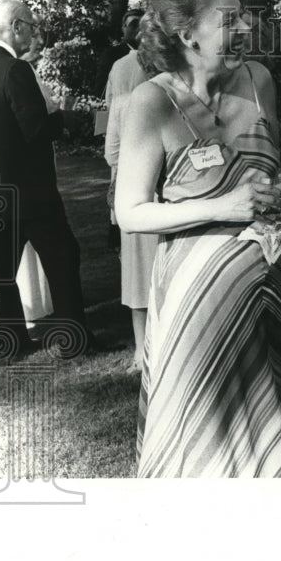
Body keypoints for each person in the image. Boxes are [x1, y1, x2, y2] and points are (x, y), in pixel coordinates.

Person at [115, 0, 281, 478]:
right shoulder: (151, 102)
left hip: (271, 292)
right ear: (188, 34)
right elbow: (129, 212)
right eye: (229, 21)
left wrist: (277, 190)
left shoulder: (259, 82)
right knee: (202, 449)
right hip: (195, 311)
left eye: (243, 15)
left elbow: (269, 168)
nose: (246, 27)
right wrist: (223, 206)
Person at [0, 0, 92, 358]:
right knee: (62, 256)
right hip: (29, 189)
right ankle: (73, 339)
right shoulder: (15, 70)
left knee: (1, 267)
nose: (34, 31)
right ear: (17, 27)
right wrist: (68, 119)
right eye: (31, 24)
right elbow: (37, 130)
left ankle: (12, 343)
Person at [103, 42, 155, 373]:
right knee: (142, 272)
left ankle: (143, 349)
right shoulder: (136, 102)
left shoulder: (123, 103)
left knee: (139, 273)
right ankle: (144, 349)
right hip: (148, 197)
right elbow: (112, 153)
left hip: (135, 193)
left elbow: (111, 155)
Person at [93, 7, 144, 98]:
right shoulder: (112, 55)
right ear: (123, 28)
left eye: (143, 25)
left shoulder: (153, 54)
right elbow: (100, 91)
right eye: (134, 24)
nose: (139, 29)